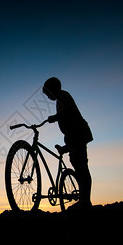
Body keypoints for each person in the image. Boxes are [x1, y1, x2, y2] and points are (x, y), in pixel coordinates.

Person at [43, 77, 93, 209]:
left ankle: (85, 202)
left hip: (78, 134)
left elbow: (68, 112)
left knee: (81, 167)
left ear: (53, 89)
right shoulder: (60, 98)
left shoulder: (63, 95)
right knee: (78, 164)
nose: (48, 97)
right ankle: (84, 200)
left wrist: (55, 117)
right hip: (73, 136)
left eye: (48, 93)